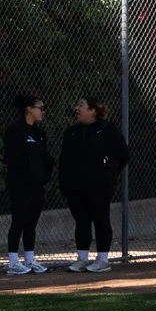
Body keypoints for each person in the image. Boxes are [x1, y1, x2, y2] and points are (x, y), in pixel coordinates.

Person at [58, 96, 129, 274]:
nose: (77, 108)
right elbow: (64, 160)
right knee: (81, 221)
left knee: (100, 219)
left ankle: (102, 260)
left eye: (81, 105)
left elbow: (123, 155)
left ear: (93, 110)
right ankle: (82, 258)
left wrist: (108, 174)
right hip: (76, 186)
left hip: (99, 186)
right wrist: (65, 182)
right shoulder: (72, 132)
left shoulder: (107, 130)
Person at [2, 94, 52, 276]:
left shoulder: (39, 132)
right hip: (20, 184)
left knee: (31, 222)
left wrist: (44, 175)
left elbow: (45, 158)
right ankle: (13, 262)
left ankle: (30, 259)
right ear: (29, 109)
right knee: (19, 221)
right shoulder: (16, 130)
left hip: (36, 186)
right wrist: (24, 176)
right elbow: (12, 159)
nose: (42, 112)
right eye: (40, 108)